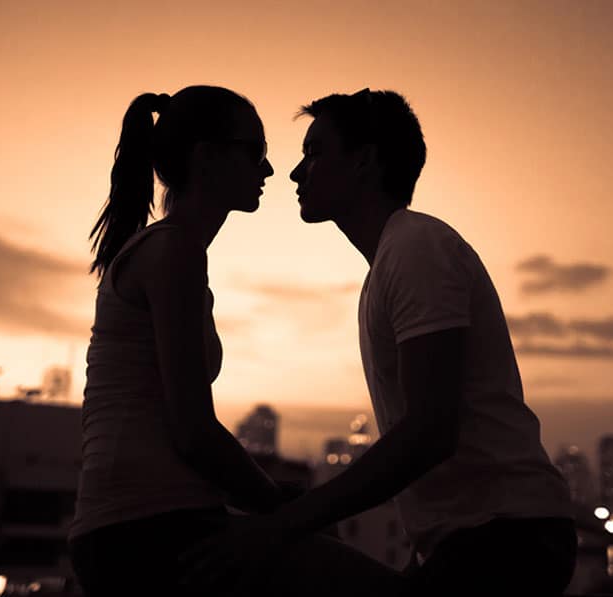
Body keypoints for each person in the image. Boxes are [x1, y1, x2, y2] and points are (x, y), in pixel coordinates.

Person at [182, 89, 576, 596]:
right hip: (471, 542)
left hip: (507, 541)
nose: (297, 173)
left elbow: (430, 431)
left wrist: (284, 523)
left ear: (364, 160)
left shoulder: (416, 249)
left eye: (316, 151)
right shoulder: (391, 263)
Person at [69, 86, 403, 597]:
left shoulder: (171, 252)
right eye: (256, 152)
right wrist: (284, 508)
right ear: (207, 157)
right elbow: (192, 430)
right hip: (150, 534)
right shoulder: (173, 252)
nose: (270, 171)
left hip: (149, 526)